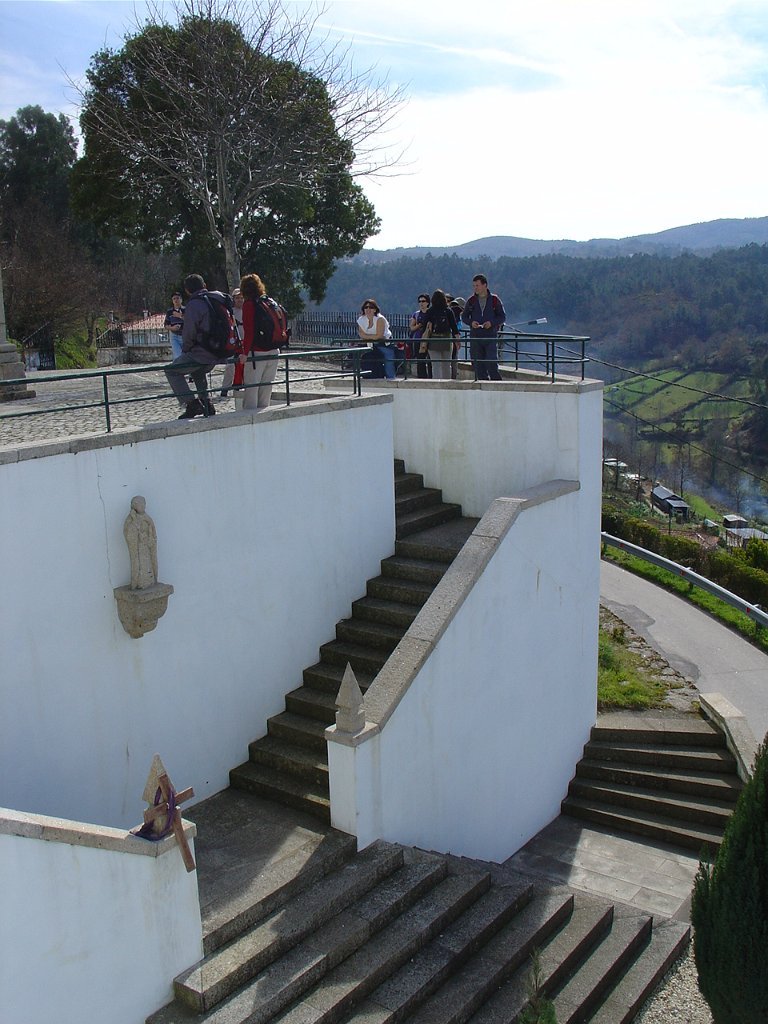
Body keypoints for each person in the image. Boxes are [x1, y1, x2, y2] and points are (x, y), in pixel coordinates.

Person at [164, 273, 218, 419]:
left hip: (201, 352)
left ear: (187, 291)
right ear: (204, 285)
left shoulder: (194, 305)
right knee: (198, 371)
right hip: (217, 352)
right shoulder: (216, 300)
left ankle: (192, 404)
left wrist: (187, 349)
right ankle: (207, 403)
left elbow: (189, 333)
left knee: (171, 371)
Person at [240, 273, 281, 411]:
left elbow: (249, 331)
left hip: (257, 352)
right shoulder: (268, 302)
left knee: (252, 388)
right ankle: (264, 414)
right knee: (266, 388)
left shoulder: (249, 305)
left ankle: (249, 417)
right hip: (274, 349)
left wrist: (245, 353)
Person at [461, 274, 506, 381]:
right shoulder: (471, 301)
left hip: (490, 335)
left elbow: (502, 317)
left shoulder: (494, 300)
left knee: (491, 362)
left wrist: (491, 323)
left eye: (477, 285)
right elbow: (464, 316)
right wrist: (471, 322)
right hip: (475, 336)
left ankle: (497, 384)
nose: (475, 288)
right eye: (474, 286)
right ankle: (483, 384)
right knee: (478, 365)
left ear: (485, 285)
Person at [420, 289, 461, 380]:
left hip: (433, 341)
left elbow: (424, 327)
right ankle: (446, 383)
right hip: (446, 340)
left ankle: (437, 383)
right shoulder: (448, 311)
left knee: (436, 365)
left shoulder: (430, 311)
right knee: (447, 365)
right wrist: (458, 341)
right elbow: (454, 328)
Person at [357, 299, 396, 380]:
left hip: (384, 344)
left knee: (388, 361)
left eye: (371, 307)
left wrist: (367, 336)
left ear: (375, 309)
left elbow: (379, 335)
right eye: (366, 307)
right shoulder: (361, 320)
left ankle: (391, 379)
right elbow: (361, 334)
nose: (368, 309)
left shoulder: (380, 319)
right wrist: (373, 337)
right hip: (370, 345)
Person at [220, 287, 244, 398]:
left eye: (241, 298)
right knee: (230, 366)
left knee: (244, 365)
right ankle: (225, 388)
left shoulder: (247, 310)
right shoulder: (230, 311)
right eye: (237, 298)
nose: (240, 300)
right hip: (233, 341)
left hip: (244, 341)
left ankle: (239, 385)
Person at [409, 293, 432, 379]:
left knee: (430, 360)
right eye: (419, 301)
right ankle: (422, 377)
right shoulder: (416, 314)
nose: (421, 303)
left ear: (428, 302)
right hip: (418, 339)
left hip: (429, 339)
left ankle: (430, 376)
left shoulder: (431, 313)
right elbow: (411, 327)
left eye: (423, 301)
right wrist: (418, 326)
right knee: (420, 359)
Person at [163, 292, 185, 360]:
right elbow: (166, 325)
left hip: (185, 336)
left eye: (177, 298)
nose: (176, 300)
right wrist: (172, 328)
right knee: (177, 356)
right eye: (174, 299)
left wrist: (180, 316)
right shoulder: (169, 312)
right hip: (174, 336)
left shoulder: (186, 309)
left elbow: (191, 321)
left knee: (185, 355)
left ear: (181, 300)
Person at [449, 296, 465, 380]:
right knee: (454, 358)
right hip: (453, 338)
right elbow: (457, 327)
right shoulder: (457, 311)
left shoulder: (449, 310)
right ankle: (453, 377)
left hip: (447, 337)